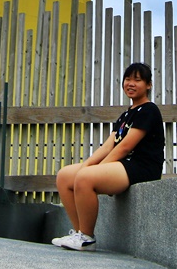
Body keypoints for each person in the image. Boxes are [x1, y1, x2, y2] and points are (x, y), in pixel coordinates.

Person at [51, 62, 165, 252]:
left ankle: (87, 238)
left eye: (137, 80)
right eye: (128, 79)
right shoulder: (125, 115)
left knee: (85, 178)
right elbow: (108, 145)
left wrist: (93, 171)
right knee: (65, 176)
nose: (131, 83)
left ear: (148, 85)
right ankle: (79, 232)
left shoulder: (149, 110)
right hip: (123, 165)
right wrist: (85, 166)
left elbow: (125, 146)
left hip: (141, 167)